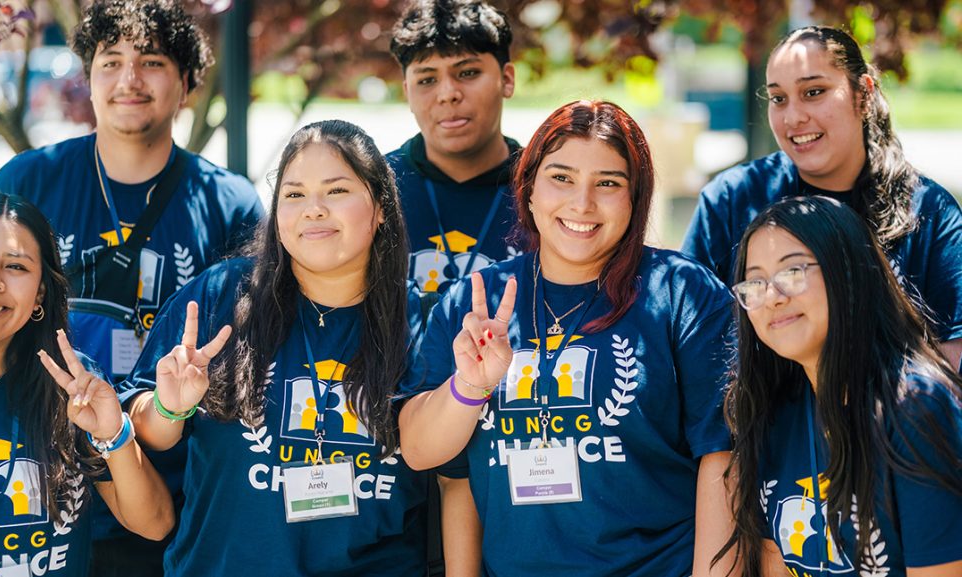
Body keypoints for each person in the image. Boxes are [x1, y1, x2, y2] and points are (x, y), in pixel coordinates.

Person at [399, 100, 737, 576]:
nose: (582, 203)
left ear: (635, 198)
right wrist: (469, 386)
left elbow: (723, 460)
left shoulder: (682, 293)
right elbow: (424, 453)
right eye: (561, 178)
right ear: (529, 188)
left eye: (608, 183)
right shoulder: (475, 302)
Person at [0, 1, 264, 572]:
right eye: (109, 62)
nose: (128, 80)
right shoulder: (28, 181)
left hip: (175, 489)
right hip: (48, 480)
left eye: (152, 62)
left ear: (187, 83)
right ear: (88, 81)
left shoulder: (231, 201)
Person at [120, 120, 430, 576]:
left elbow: (452, 475)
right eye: (295, 194)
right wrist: (169, 407)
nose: (314, 210)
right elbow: (141, 429)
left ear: (380, 206)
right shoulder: (223, 295)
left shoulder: (421, 321)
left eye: (337, 191)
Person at [681, 25, 962, 369]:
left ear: (864, 95)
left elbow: (950, 363)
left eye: (814, 92)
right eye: (778, 99)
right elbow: (693, 341)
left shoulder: (928, 210)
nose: (794, 117)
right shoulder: (731, 199)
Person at [720, 196, 962, 576]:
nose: (773, 297)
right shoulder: (771, 411)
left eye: (792, 272)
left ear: (848, 273)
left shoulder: (914, 407)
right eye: (755, 282)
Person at [0, 193, 173, 576]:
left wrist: (113, 434)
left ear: (40, 294)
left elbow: (154, 523)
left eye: (15, 266)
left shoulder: (73, 386)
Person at [388, 0, 521, 297]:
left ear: (507, 79)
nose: (448, 94)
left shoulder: (548, 190)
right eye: (427, 79)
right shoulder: (374, 189)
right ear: (408, 93)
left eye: (468, 73)